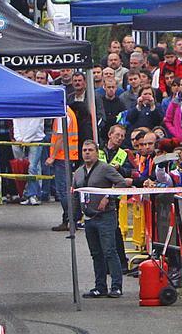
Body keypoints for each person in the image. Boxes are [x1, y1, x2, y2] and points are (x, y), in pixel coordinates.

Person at [74, 140, 130, 298]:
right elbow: (75, 194)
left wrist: (107, 196)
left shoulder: (105, 168)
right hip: (89, 218)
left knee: (110, 251)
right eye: (84, 150)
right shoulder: (78, 172)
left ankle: (116, 286)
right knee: (96, 253)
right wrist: (73, 218)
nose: (87, 152)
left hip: (106, 216)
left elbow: (121, 183)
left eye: (90, 150)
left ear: (96, 153)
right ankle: (100, 286)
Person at [46, 105, 80, 232]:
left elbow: (60, 137)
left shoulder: (63, 115)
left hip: (62, 157)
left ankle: (70, 219)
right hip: (67, 156)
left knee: (64, 191)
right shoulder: (68, 112)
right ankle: (70, 219)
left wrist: (52, 157)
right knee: (66, 190)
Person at [14, 107, 46, 206]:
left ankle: (33, 194)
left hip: (36, 140)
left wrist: (25, 140)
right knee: (23, 168)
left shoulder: (36, 106)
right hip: (20, 141)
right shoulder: (17, 107)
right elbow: (15, 122)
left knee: (32, 167)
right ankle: (28, 193)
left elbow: (35, 125)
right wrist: (18, 138)